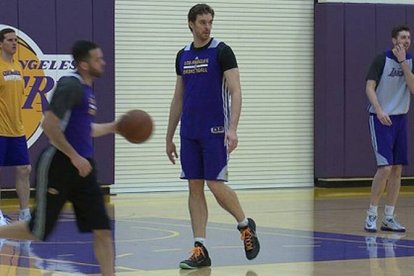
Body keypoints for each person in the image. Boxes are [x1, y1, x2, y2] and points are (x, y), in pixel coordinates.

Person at [0, 40, 116, 276]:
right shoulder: (70, 85)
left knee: (102, 229)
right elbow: (49, 125)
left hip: (84, 167)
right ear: (84, 64)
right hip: (60, 164)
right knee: (37, 230)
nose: (103, 62)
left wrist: (115, 127)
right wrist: (74, 157)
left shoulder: (86, 89)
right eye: (97, 59)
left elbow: (85, 130)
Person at [166, 4, 260, 269]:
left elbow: (236, 91)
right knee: (194, 187)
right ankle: (200, 248)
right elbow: (178, 98)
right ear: (191, 24)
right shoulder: (182, 55)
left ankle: (245, 225)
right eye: (203, 23)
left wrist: (233, 128)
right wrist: (169, 136)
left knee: (215, 184)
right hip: (189, 132)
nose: (207, 27)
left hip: (215, 131)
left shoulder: (222, 51)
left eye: (210, 22)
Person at [364, 25, 414, 233]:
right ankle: (371, 214)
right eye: (403, 37)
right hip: (380, 119)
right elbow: (369, 87)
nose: (407, 40)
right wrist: (379, 110)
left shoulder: (409, 61)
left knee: (397, 169)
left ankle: (389, 217)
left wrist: (403, 63)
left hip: (400, 119)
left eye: (409, 37)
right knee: (384, 168)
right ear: (394, 40)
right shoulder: (381, 59)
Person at [0, 28, 31, 224]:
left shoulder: (18, 67)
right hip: (0, 129)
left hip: (17, 129)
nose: (14, 43)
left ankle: (25, 212)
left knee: (24, 169)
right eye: (10, 40)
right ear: (0, 44)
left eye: (16, 40)